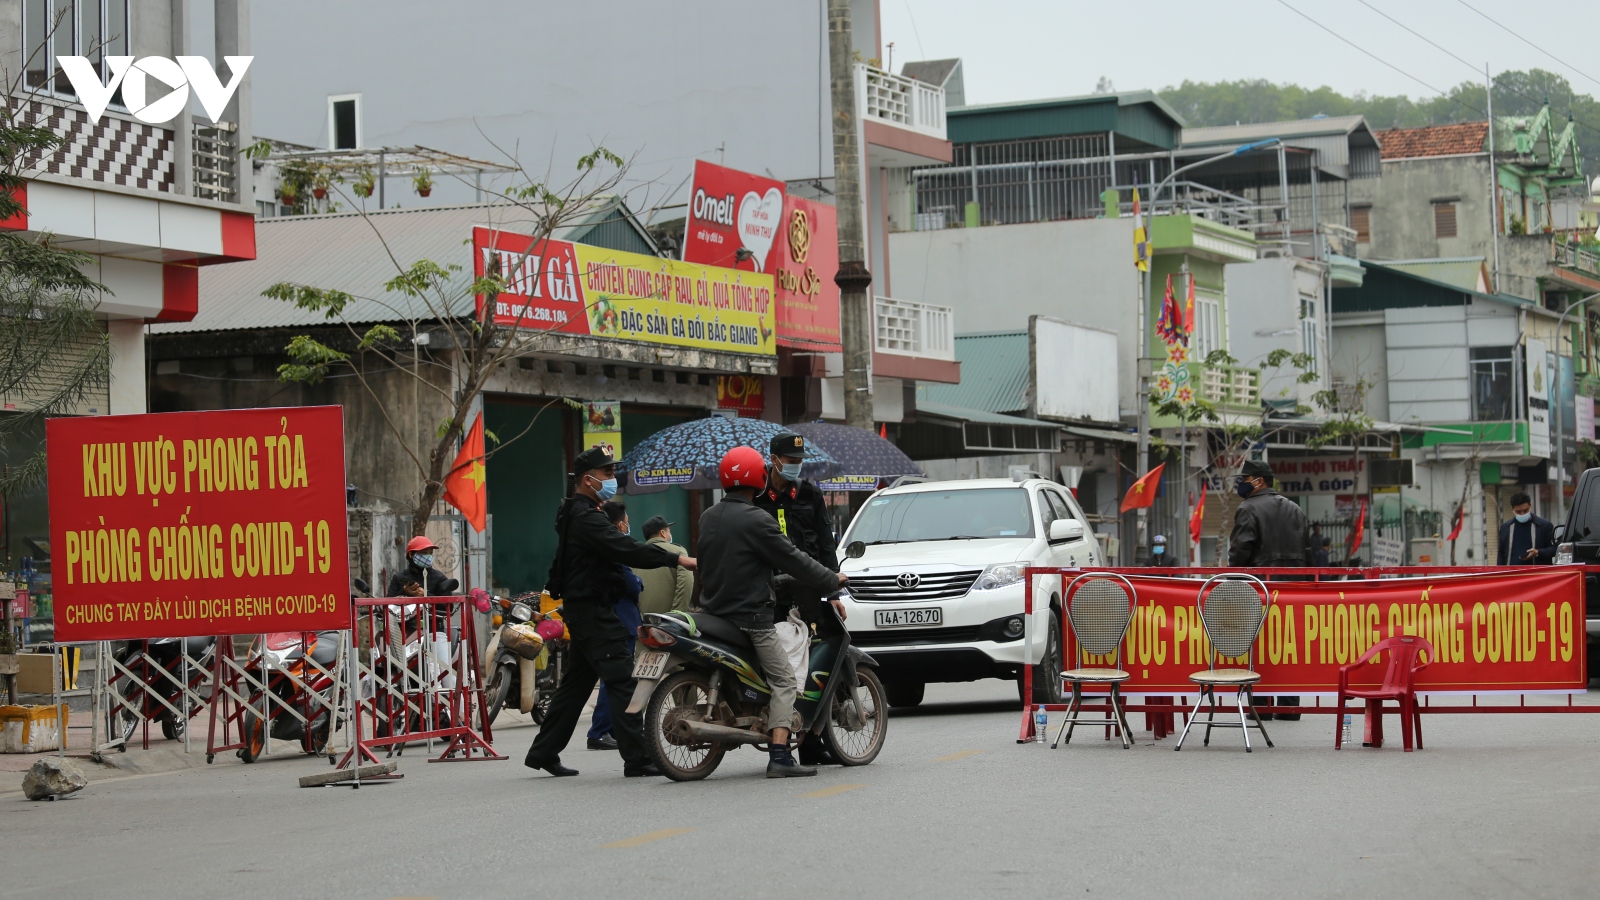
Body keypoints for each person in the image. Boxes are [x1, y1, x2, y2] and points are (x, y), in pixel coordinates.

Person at [524, 447, 696, 778]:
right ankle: (637, 758)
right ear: (588, 480)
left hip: (588, 609)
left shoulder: (581, 512)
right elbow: (624, 548)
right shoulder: (586, 518)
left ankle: (543, 752)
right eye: (606, 474)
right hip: (593, 613)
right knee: (623, 681)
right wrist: (676, 558)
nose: (611, 479)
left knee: (575, 687)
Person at [698, 446, 847, 778]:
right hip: (752, 617)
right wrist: (830, 580)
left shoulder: (708, 516)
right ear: (758, 475)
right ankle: (779, 755)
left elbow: (723, 566)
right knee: (785, 680)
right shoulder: (757, 518)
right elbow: (794, 558)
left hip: (713, 613)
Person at [752, 431, 844, 765]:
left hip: (809, 594)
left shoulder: (810, 494)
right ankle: (781, 735)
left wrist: (833, 591)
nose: (796, 467)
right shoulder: (755, 496)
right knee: (785, 667)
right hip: (769, 596)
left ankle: (812, 740)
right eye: (791, 461)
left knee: (819, 662)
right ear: (774, 459)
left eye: (800, 462)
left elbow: (825, 544)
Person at [1227, 459, 1312, 720]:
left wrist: (1234, 582)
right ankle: (1289, 706)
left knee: (1262, 646)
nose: (1241, 483)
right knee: (1289, 644)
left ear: (1259, 481)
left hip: (1260, 588)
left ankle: (1261, 705)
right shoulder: (1295, 508)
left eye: (1245, 478)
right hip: (1293, 589)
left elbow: (1240, 551)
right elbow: (1307, 551)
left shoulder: (1247, 508)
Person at [586, 501, 645, 751]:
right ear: (620, 525)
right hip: (620, 622)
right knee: (615, 681)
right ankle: (600, 731)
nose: (628, 526)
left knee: (614, 680)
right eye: (627, 523)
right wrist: (639, 582)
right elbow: (632, 585)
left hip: (614, 622)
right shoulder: (614, 550)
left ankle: (608, 730)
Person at [635, 515, 693, 615]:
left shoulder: (636, 557)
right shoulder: (678, 552)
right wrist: (677, 615)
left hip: (644, 623)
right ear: (663, 533)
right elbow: (686, 583)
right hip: (670, 623)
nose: (670, 534)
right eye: (669, 531)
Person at [1497, 491, 1556, 565]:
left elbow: (1554, 549)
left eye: (1525, 510)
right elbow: (1501, 553)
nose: (1522, 514)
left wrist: (1538, 552)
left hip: (1537, 574)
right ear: (1512, 509)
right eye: (1518, 512)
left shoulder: (1544, 526)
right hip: (1513, 573)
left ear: (1530, 506)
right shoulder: (1506, 528)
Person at [386, 535, 453, 598]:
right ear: (411, 555)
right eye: (424, 553)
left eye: (430, 553)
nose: (428, 557)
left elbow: (448, 606)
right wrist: (404, 592)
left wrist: (426, 596)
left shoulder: (440, 578)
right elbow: (388, 605)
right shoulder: (399, 578)